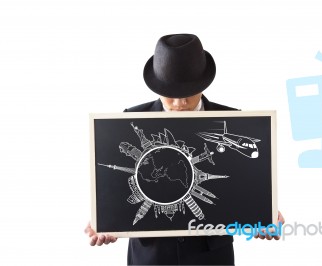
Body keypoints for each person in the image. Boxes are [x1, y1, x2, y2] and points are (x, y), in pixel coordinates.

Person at [85, 33, 285, 265]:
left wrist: (263, 215)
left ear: (203, 83)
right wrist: (106, 222)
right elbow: (116, 188)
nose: (180, 103)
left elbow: (244, 184)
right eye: (170, 93)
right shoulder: (129, 120)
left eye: (188, 92)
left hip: (211, 257)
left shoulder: (234, 123)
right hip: (151, 257)